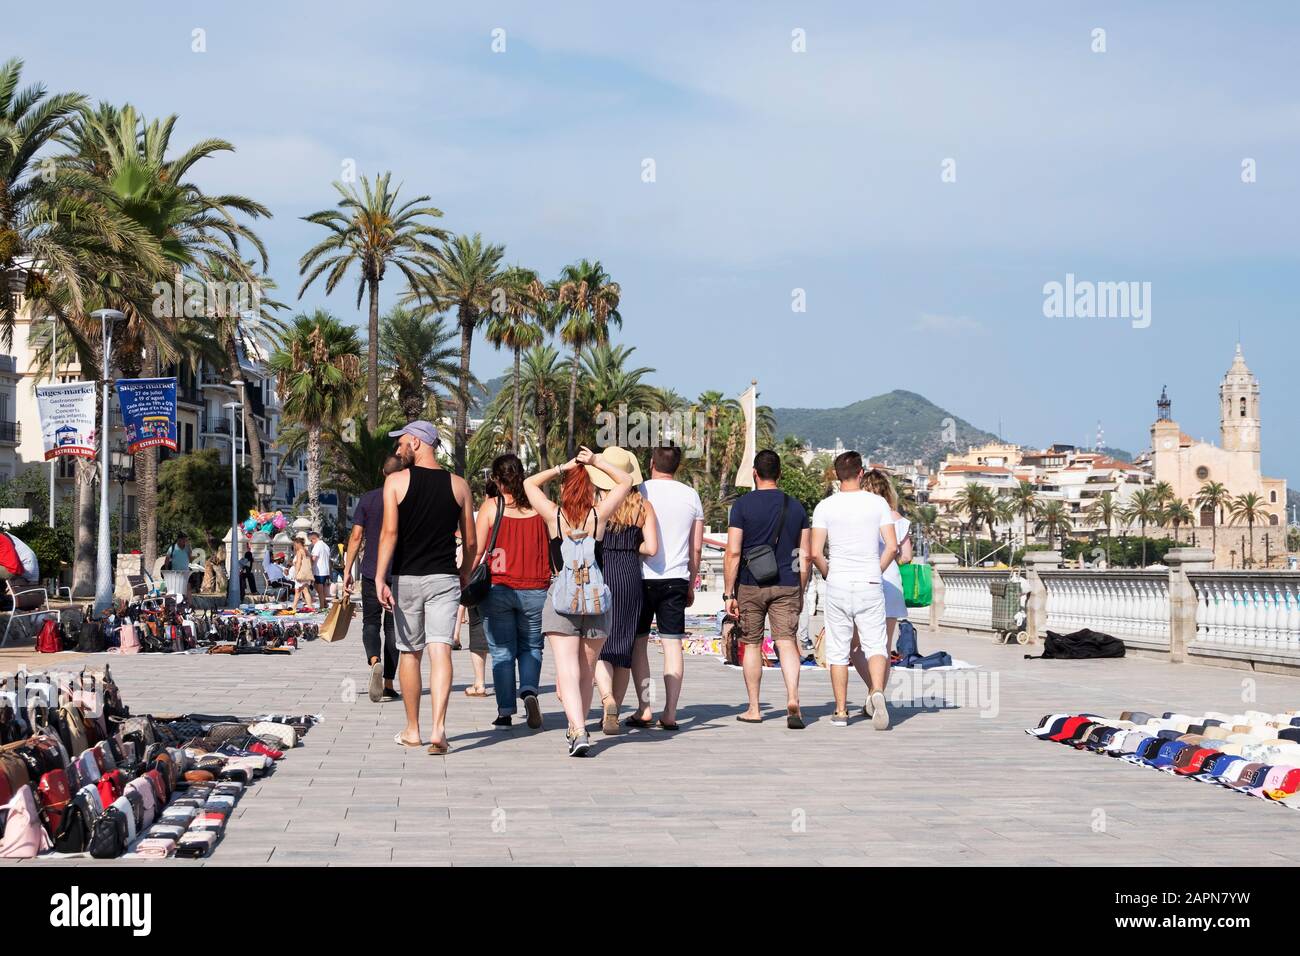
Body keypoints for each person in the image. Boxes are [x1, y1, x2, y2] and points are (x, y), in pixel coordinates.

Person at [523, 446, 633, 757]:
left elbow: (529, 483)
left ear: (564, 489)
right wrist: (596, 461)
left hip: (562, 600)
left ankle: (577, 729)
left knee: (567, 669)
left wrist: (562, 466)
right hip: (596, 602)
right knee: (587, 669)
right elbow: (625, 481)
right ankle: (579, 726)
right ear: (592, 490)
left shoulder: (554, 516)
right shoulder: (597, 516)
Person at [375, 421, 475, 756]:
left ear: (417, 443)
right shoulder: (460, 485)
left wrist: (379, 577)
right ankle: (438, 730)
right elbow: (471, 542)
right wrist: (464, 572)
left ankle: (412, 730)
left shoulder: (395, 482)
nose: (398, 449)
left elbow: (389, 534)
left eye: (402, 443)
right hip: (445, 578)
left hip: (407, 578)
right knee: (441, 650)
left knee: (410, 653)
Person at [809, 451, 898, 729]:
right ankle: (877, 691)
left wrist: (828, 573)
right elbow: (893, 547)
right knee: (875, 644)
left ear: (837, 476)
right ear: (861, 473)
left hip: (838, 582)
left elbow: (814, 552)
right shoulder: (878, 504)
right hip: (870, 582)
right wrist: (876, 570)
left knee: (838, 648)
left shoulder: (824, 506)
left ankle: (840, 711)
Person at [724, 449, 811, 728]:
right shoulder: (796, 506)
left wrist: (729, 593)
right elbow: (805, 555)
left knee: (751, 644)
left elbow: (733, 552)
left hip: (751, 584)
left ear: (754, 473)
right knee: (787, 642)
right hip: (787, 583)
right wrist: (801, 587)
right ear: (780, 473)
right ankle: (793, 698)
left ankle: (754, 708)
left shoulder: (742, 505)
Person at [474, 454, 551, 731]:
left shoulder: (492, 507)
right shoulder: (540, 509)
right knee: (532, 646)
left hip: (498, 588)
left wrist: (465, 578)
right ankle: (529, 691)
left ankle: (505, 712)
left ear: (496, 479)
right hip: (536, 589)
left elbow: (478, 549)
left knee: (502, 651)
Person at [630, 443, 703, 731]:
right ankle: (670, 712)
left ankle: (645, 707)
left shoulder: (641, 492)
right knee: (672, 645)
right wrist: (691, 581)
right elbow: (695, 548)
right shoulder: (691, 496)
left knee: (639, 646)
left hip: (642, 577)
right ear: (678, 466)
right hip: (676, 578)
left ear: (651, 462)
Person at [592, 447, 658, 735]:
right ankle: (616, 709)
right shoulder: (644, 505)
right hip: (631, 576)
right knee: (624, 649)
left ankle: (606, 699)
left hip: (603, 573)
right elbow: (652, 548)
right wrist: (632, 547)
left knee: (598, 646)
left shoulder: (598, 505)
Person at [342, 454, 406, 703]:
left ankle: (374, 661)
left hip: (370, 571)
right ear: (402, 474)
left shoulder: (368, 499)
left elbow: (356, 536)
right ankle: (389, 683)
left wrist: (348, 570)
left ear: (382, 472)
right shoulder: (405, 499)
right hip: (399, 573)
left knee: (370, 622)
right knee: (393, 628)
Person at [862, 468, 914, 685]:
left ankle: (872, 690)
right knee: (884, 645)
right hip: (891, 580)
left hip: (866, 578)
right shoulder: (898, 519)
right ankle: (879, 693)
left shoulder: (864, 517)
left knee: (862, 644)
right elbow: (907, 556)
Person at [289, 536, 315, 612]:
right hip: (306, 573)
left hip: (301, 573)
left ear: (297, 543)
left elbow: (298, 563)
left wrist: (296, 573)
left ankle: (307, 607)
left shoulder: (299, 551)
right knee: (302, 590)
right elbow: (311, 561)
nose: (294, 546)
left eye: (295, 544)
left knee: (301, 590)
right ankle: (296, 606)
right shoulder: (306, 551)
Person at [308, 530, 332, 608]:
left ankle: (322, 606)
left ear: (314, 539)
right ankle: (324, 602)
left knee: (320, 590)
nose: (312, 543)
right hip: (325, 570)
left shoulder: (317, 545)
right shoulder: (326, 546)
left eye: (311, 541)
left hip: (319, 571)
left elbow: (314, 558)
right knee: (318, 587)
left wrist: (308, 564)